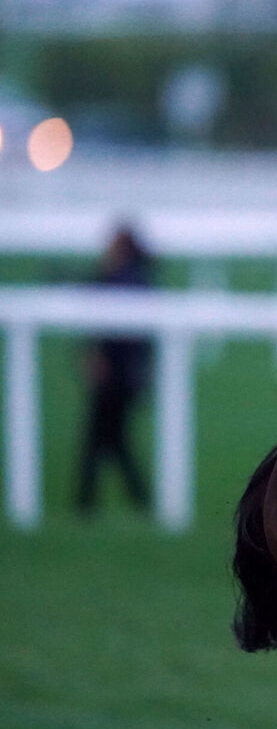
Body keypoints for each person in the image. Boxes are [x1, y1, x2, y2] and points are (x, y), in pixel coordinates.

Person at [77, 221, 155, 517]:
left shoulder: (123, 279)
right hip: (124, 378)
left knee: (99, 440)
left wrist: (98, 358)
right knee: (112, 441)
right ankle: (136, 500)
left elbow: (118, 336)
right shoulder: (134, 277)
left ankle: (85, 504)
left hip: (116, 378)